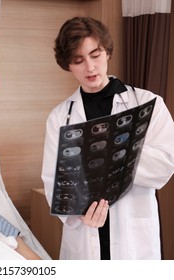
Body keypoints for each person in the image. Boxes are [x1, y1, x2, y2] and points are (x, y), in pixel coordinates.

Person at [41, 16, 174, 260]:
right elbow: (53, 181)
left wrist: (116, 148)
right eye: (78, 60)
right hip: (85, 230)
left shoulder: (147, 103)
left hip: (133, 233)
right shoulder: (60, 117)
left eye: (95, 54)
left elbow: (165, 164)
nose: (90, 67)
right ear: (68, 65)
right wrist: (79, 213)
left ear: (107, 52)